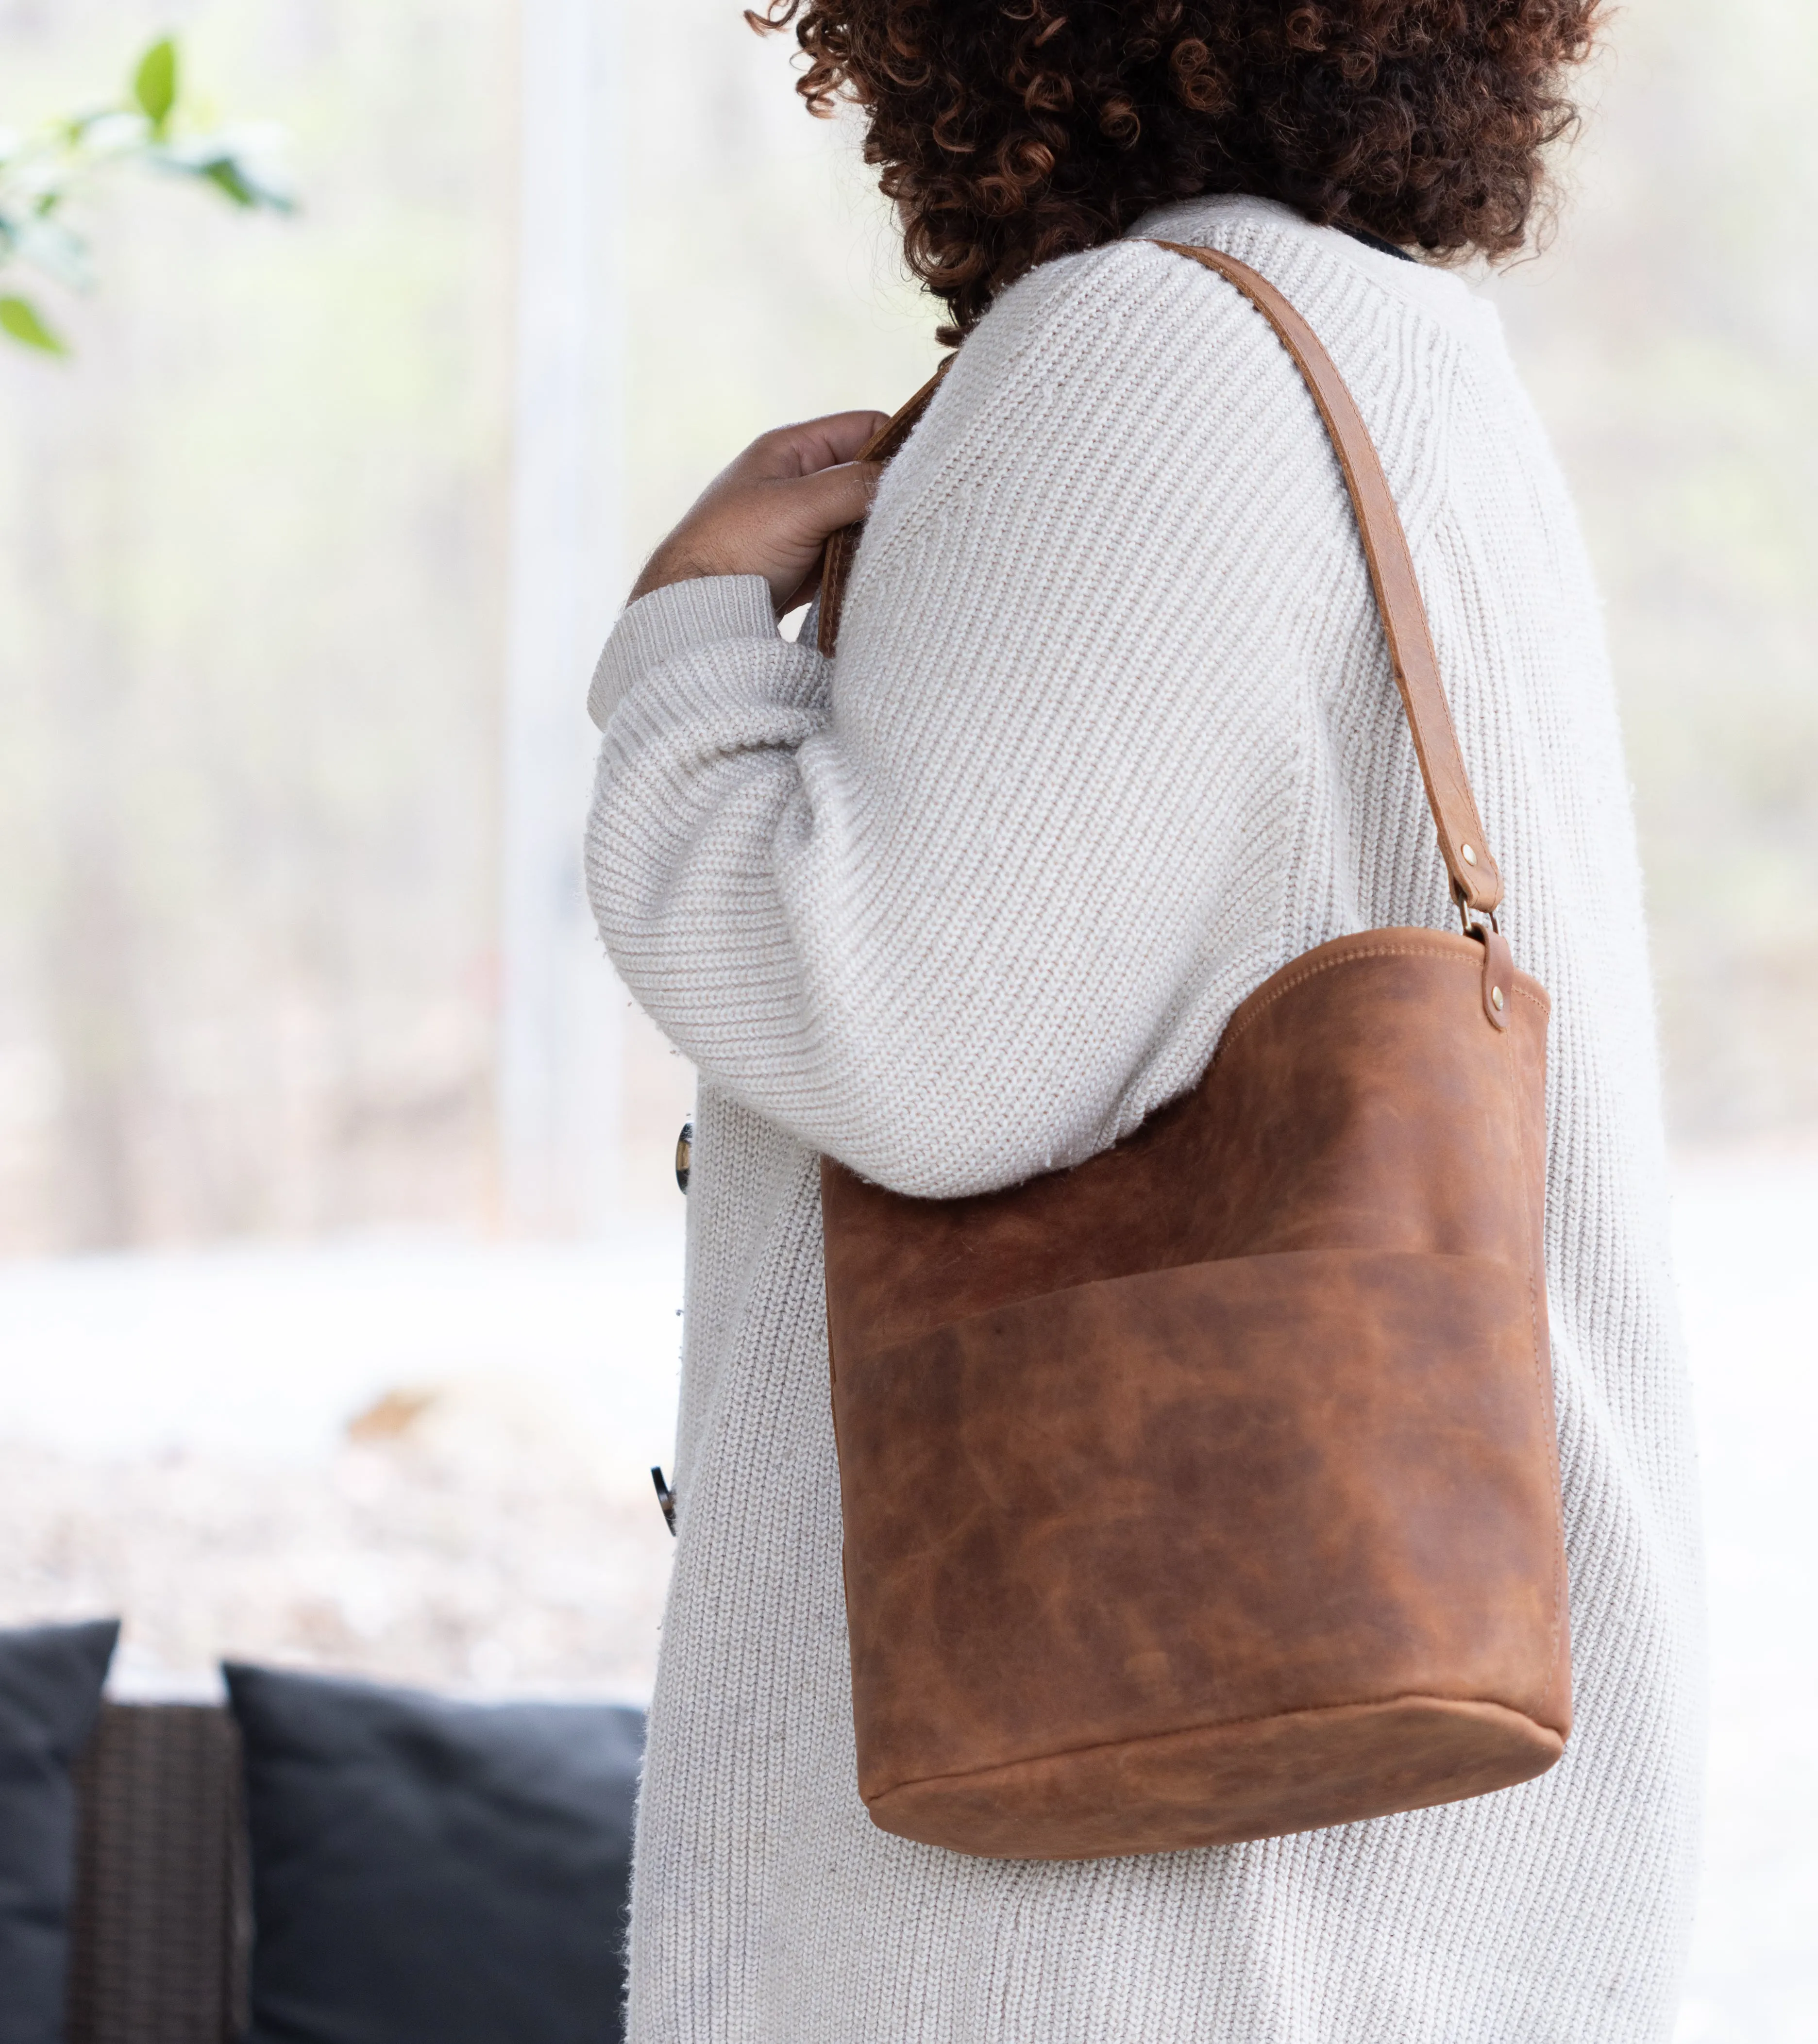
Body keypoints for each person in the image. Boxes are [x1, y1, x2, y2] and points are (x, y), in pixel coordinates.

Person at [582, 2, 1703, 2037]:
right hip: (1342, 1836)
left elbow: (898, 1037)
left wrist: (685, 642)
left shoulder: (1145, 346)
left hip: (1136, 1913)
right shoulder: (1392, 349)